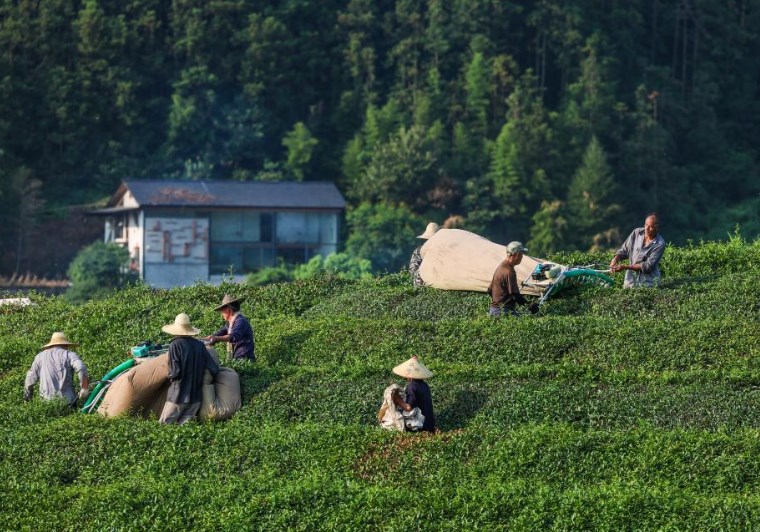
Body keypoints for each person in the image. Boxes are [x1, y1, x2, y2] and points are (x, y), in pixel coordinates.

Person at [160, 313, 220, 424]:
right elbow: (214, 368)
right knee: (186, 428)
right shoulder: (200, 345)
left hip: (178, 396)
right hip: (196, 397)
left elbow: (175, 372)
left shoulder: (175, 345)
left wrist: (168, 376)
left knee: (164, 425)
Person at [24, 332, 89, 407]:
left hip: (46, 404)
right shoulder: (68, 354)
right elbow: (81, 367)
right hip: (68, 402)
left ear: (50, 345)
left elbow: (30, 378)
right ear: (65, 345)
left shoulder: (40, 357)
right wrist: (84, 387)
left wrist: (27, 398)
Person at [610, 213, 666, 288]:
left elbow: (647, 266)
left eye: (651, 227)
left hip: (648, 284)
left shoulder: (660, 244)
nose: (647, 228)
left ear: (657, 228)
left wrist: (625, 267)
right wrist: (615, 259)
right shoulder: (636, 233)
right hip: (630, 282)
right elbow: (625, 250)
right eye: (646, 224)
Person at [488, 241, 538, 316]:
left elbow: (489, 290)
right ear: (518, 255)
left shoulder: (500, 267)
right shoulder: (509, 271)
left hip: (493, 310)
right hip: (503, 311)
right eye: (522, 254)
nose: (522, 257)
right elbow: (515, 295)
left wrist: (498, 301)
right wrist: (529, 305)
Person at [390, 356, 436, 433]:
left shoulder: (412, 386)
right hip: (430, 424)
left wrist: (397, 399)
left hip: (420, 425)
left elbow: (408, 408)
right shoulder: (425, 385)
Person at [206, 294, 255, 361]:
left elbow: (234, 336)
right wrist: (203, 339)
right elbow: (219, 333)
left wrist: (217, 339)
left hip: (244, 359)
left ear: (228, 309)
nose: (222, 313)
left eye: (222, 310)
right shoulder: (230, 324)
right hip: (236, 358)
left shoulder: (241, 321)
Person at [409, 222, 440, 287]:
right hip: (438, 285)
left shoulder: (418, 251)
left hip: (422, 286)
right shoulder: (444, 250)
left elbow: (412, 271)